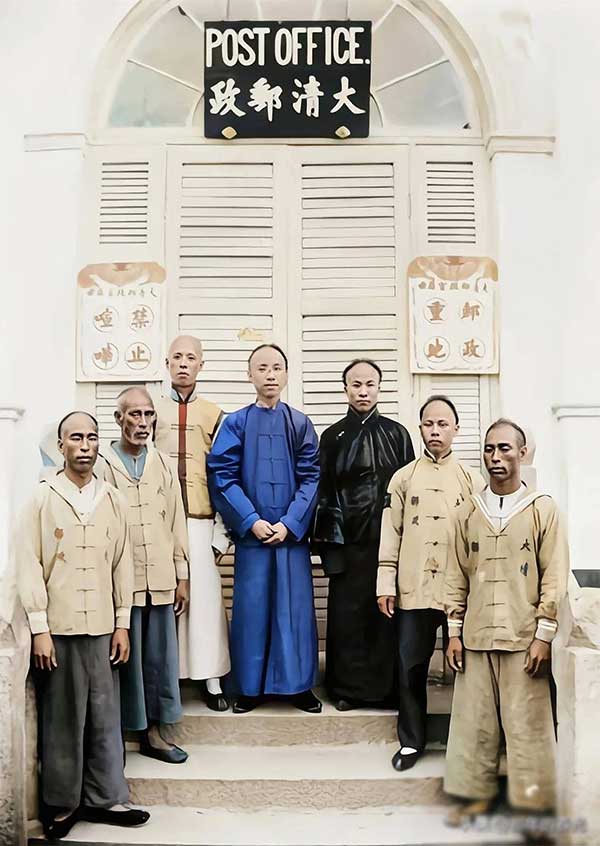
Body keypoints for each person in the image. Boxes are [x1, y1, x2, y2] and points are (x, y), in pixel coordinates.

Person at [16, 412, 149, 839]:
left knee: (105, 715)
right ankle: (63, 803)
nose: (86, 446)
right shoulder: (41, 497)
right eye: (77, 438)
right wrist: (39, 628)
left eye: (93, 437)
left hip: (103, 628)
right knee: (63, 719)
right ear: (61, 445)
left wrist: (122, 623)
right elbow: (29, 564)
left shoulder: (113, 499)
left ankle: (106, 797)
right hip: (60, 627)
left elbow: (122, 565)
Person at [444, 419, 569, 826]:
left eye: (504, 449)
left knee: (528, 726)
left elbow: (554, 576)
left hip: (523, 638)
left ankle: (534, 806)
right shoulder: (467, 512)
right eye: (488, 450)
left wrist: (543, 636)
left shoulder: (542, 509)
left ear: (522, 453)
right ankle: (474, 798)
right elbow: (455, 575)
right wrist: (455, 632)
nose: (495, 458)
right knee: (473, 725)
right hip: (478, 636)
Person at [207, 344, 321, 714]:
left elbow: (311, 477)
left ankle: (298, 686)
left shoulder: (300, 423)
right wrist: (251, 521)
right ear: (250, 375)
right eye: (262, 368)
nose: (270, 374)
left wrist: (290, 523)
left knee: (294, 609)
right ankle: (250, 687)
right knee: (253, 609)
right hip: (253, 538)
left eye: (277, 368)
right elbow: (222, 475)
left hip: (291, 538)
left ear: (287, 374)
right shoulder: (236, 423)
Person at [377, 395, 485, 772]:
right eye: (428, 424)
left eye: (443, 424)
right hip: (414, 587)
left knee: (468, 667)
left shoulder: (473, 479)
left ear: (456, 429)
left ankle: (469, 744)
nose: (435, 431)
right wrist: (385, 582)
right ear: (419, 428)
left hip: (459, 590)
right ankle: (411, 741)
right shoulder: (403, 478)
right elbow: (391, 532)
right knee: (410, 666)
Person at [313, 358, 414, 710]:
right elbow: (323, 494)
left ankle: (387, 691)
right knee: (349, 618)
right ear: (345, 389)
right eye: (356, 384)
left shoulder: (397, 434)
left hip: (388, 543)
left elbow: (409, 493)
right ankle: (347, 691)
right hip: (349, 544)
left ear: (379, 388)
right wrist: (331, 551)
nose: (363, 391)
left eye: (370, 384)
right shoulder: (332, 437)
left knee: (385, 616)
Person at [103, 387, 190, 764]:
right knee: (122, 661)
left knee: (158, 660)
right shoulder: (104, 464)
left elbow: (176, 519)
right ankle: (118, 739)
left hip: (161, 578)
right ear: (119, 418)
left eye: (148, 415)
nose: (142, 423)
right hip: (121, 584)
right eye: (134, 415)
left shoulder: (164, 463)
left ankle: (155, 733)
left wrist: (182, 573)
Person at [154, 335, 230, 711]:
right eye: (177, 357)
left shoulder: (215, 414)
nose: (184, 363)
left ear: (202, 364)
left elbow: (226, 475)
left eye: (191, 358)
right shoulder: (150, 410)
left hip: (201, 520)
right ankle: (168, 678)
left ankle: (211, 677)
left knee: (204, 600)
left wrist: (222, 533)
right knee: (165, 599)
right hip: (159, 522)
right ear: (166, 363)